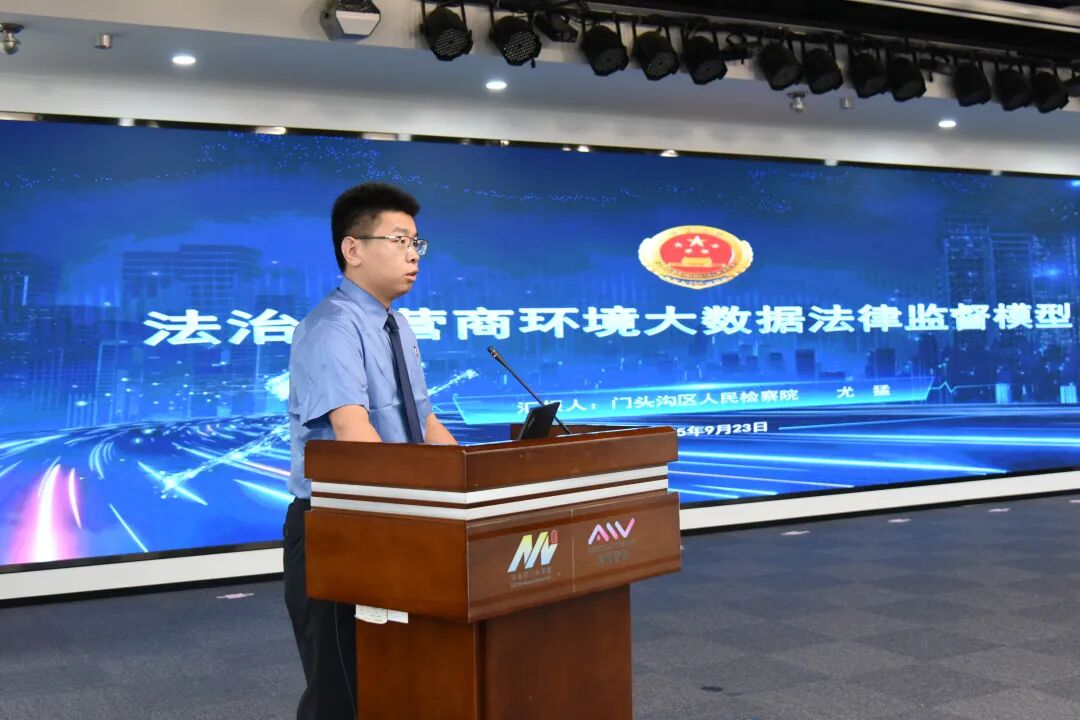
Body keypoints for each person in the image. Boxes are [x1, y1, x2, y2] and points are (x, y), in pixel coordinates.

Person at [283, 182, 457, 720]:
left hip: (391, 516)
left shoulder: (396, 324)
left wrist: (470, 481)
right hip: (339, 528)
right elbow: (353, 431)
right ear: (352, 249)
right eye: (399, 240)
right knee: (343, 689)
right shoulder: (331, 327)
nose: (413, 255)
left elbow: (425, 422)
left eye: (416, 243)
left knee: (395, 678)